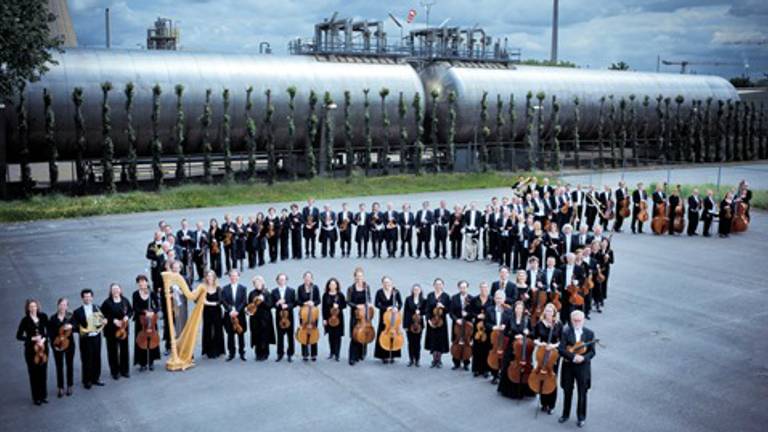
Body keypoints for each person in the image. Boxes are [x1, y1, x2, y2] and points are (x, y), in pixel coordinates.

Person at [559, 310, 597, 428]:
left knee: (582, 392)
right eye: (575, 320)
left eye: (579, 320)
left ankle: (581, 417)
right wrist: (574, 357)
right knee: (567, 390)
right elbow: (561, 349)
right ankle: (565, 414)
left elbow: (592, 352)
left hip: (583, 367)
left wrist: (583, 358)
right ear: (571, 320)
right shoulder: (566, 332)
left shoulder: (589, 334)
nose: (577, 322)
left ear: (583, 320)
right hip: (569, 366)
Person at [498, 300, 534, 398]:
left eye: (520, 308)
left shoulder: (527, 319)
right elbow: (505, 333)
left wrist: (527, 333)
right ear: (514, 309)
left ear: (523, 309)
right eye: (517, 308)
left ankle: (524, 390)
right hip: (512, 345)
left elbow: (532, 333)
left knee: (525, 365)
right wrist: (514, 335)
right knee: (508, 365)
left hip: (523, 347)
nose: (519, 310)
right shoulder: (510, 318)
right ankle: (509, 390)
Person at [71, 288, 105, 389]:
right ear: (82, 298)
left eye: (89, 297)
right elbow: (74, 326)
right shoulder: (77, 311)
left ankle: (96, 378)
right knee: (86, 359)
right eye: (86, 297)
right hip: (85, 338)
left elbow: (102, 319)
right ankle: (87, 380)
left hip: (96, 337)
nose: (88, 299)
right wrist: (84, 330)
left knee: (96, 358)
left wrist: (104, 321)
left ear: (92, 297)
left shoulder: (97, 307)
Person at [17, 299, 49, 405]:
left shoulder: (43, 316)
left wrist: (43, 340)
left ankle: (43, 396)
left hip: (43, 348)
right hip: (31, 350)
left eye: (34, 306)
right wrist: (32, 339)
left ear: (37, 307)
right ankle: (36, 398)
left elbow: (49, 331)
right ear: (27, 308)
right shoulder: (25, 320)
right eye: (30, 306)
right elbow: (19, 336)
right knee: (34, 373)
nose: (33, 308)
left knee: (43, 372)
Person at [533, 303, 562, 414]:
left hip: (553, 355)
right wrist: (541, 343)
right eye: (547, 310)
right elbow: (534, 338)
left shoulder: (558, 324)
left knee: (551, 378)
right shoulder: (540, 323)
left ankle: (551, 405)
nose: (548, 313)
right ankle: (543, 403)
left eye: (550, 311)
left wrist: (553, 346)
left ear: (554, 312)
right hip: (542, 352)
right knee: (541, 377)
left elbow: (561, 341)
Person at [101, 283, 133, 380]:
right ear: (111, 291)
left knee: (124, 350)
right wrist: (113, 320)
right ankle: (115, 372)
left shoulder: (125, 300)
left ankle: (124, 370)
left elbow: (130, 311)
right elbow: (102, 315)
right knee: (113, 351)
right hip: (111, 330)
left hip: (123, 329)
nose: (115, 291)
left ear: (120, 290)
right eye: (113, 289)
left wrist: (127, 316)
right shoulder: (107, 303)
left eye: (117, 289)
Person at [132, 275, 161, 371]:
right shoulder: (135, 294)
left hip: (151, 321)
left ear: (147, 283)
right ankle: (142, 363)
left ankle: (151, 361)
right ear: (138, 284)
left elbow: (158, 306)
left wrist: (153, 311)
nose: (142, 283)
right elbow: (135, 308)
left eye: (143, 281)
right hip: (140, 321)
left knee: (152, 339)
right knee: (141, 340)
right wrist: (145, 312)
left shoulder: (152, 293)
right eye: (139, 282)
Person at [48, 297, 75, 397]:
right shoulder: (53, 318)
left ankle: (69, 385)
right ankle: (60, 387)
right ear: (58, 305)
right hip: (57, 344)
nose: (63, 306)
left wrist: (72, 326)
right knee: (59, 366)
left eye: (65, 305)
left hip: (69, 344)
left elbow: (76, 327)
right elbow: (50, 333)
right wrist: (53, 345)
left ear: (67, 306)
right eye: (61, 304)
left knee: (69, 365)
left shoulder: (70, 317)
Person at [374, 276, 403, 363]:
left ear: (391, 282)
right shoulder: (379, 292)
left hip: (394, 316)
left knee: (394, 334)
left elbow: (400, 303)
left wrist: (397, 308)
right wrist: (386, 308)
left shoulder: (396, 292)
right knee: (383, 334)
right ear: (382, 283)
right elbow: (376, 304)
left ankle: (393, 354)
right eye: (385, 282)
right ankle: (383, 355)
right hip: (384, 317)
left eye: (388, 282)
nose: (387, 284)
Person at [246, 275, 275, 361]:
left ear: (263, 283)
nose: (257, 284)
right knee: (256, 335)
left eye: (259, 282)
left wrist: (262, 301)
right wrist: (248, 310)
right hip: (255, 318)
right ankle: (258, 353)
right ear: (254, 284)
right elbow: (249, 305)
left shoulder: (267, 293)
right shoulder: (251, 293)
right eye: (255, 283)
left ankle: (265, 353)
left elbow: (270, 305)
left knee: (265, 335)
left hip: (265, 318)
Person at [347, 267, 372, 365]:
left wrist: (369, 303)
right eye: (357, 276)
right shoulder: (351, 288)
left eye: (361, 276)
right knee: (354, 336)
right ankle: (352, 357)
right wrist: (356, 305)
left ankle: (361, 354)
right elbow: (348, 301)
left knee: (364, 334)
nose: (359, 278)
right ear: (354, 277)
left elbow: (369, 298)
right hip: (355, 315)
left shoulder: (367, 287)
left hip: (365, 315)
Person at [221, 270, 247, 361]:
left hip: (240, 315)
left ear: (238, 277)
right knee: (230, 334)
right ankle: (231, 353)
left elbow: (244, 301)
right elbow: (223, 301)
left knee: (241, 334)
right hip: (229, 315)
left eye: (235, 276)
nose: (233, 278)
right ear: (229, 277)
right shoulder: (225, 288)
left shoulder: (243, 288)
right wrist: (230, 310)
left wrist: (237, 311)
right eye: (231, 276)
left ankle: (242, 353)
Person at [199, 271, 225, 359]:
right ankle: (208, 350)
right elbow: (196, 300)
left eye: (211, 276)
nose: (209, 278)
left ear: (214, 278)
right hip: (206, 312)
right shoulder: (203, 288)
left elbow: (220, 301)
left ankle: (218, 350)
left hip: (216, 311)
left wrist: (209, 303)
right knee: (207, 329)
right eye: (208, 276)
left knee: (217, 329)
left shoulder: (218, 288)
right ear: (206, 278)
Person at [425, 278, 450, 368]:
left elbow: (449, 310)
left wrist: (443, 306)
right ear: (434, 285)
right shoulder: (430, 295)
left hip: (442, 323)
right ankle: (434, 359)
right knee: (433, 340)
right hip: (432, 321)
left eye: (440, 284)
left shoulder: (446, 296)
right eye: (436, 284)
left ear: (443, 285)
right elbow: (427, 309)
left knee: (440, 340)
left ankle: (439, 360)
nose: (438, 286)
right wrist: (428, 320)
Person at [272, 272, 296, 362]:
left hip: (289, 316)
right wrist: (277, 303)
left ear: (286, 280)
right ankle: (280, 353)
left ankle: (290, 354)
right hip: (279, 317)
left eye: (283, 279)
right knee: (280, 336)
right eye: (280, 279)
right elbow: (272, 304)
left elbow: (294, 303)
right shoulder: (274, 291)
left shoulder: (291, 291)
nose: (282, 281)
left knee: (290, 335)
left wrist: (287, 305)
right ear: (277, 281)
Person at [297, 271, 321, 361]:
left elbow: (319, 300)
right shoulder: (300, 288)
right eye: (306, 277)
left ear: (312, 279)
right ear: (304, 279)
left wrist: (313, 302)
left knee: (313, 332)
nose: (307, 279)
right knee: (303, 332)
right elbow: (297, 301)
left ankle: (314, 354)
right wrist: (304, 303)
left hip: (313, 314)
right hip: (303, 314)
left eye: (309, 277)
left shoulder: (315, 288)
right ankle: (305, 354)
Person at [470, 282, 492, 378]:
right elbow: (470, 311)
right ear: (480, 289)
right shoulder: (475, 299)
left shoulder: (491, 299)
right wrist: (477, 315)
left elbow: (493, 311)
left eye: (485, 288)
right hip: (478, 326)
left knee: (487, 348)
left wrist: (487, 317)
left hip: (487, 326)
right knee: (477, 348)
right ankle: (476, 369)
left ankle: (486, 369)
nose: (484, 290)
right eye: (482, 288)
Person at [487, 290, 509, 385]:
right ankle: (494, 374)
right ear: (494, 299)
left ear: (504, 299)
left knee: (504, 355)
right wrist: (493, 327)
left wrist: (505, 327)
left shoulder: (508, 311)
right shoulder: (489, 309)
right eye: (497, 298)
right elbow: (486, 323)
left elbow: (511, 323)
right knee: (494, 355)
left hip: (504, 337)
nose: (499, 300)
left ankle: (502, 374)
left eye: (500, 298)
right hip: (494, 336)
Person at [449, 280, 473, 370]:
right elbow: (451, 312)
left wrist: (467, 314)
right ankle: (456, 362)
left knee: (467, 343)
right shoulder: (454, 298)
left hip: (467, 325)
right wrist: (456, 319)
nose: (463, 289)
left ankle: (466, 362)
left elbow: (473, 312)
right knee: (456, 341)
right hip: (457, 325)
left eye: (465, 287)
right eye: (461, 287)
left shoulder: (471, 298)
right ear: (458, 288)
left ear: (467, 288)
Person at [322, 278, 346, 361]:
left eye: (334, 284)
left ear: (336, 286)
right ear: (328, 286)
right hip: (329, 318)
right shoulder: (325, 295)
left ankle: (337, 354)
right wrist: (324, 319)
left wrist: (338, 306)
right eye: (331, 284)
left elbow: (344, 305)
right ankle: (332, 352)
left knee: (338, 336)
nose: (332, 286)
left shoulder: (340, 295)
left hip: (338, 318)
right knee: (331, 336)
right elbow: (323, 308)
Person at [403, 283, 425, 367]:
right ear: (412, 291)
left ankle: (417, 359)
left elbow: (425, 311)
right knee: (410, 342)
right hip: (409, 323)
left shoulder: (423, 300)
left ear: (420, 291)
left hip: (419, 324)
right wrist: (405, 325)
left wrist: (420, 312)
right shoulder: (408, 299)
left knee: (417, 342)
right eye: (414, 290)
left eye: (417, 290)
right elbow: (405, 312)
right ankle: (411, 359)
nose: (416, 291)